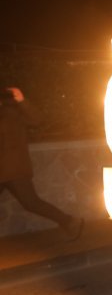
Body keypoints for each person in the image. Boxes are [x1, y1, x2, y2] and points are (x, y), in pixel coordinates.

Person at [0, 86, 83, 239]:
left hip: (13, 169)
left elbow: (37, 119)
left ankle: (70, 221)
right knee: (31, 203)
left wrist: (22, 101)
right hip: (6, 170)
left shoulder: (12, 111)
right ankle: (70, 221)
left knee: (31, 203)